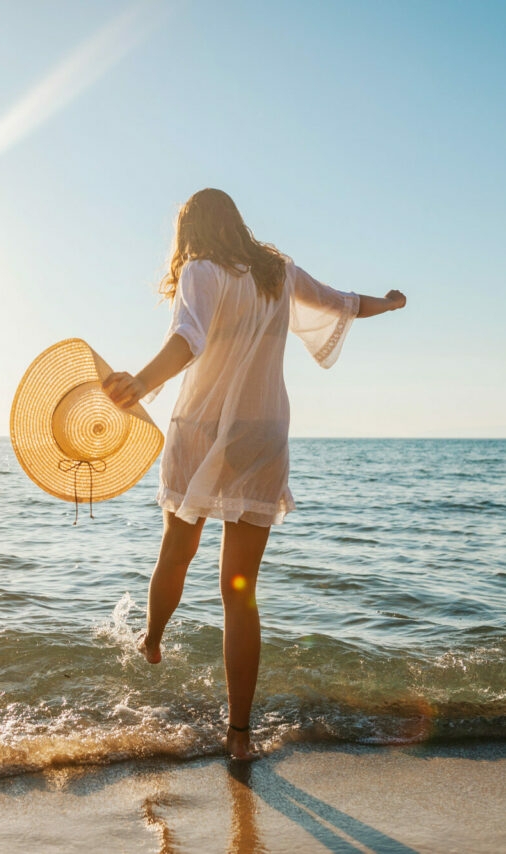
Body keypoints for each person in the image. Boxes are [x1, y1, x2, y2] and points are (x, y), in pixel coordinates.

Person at [103, 188, 406, 759]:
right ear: (237, 225)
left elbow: (187, 338)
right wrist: (387, 305)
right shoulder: (279, 273)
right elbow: (343, 302)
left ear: (190, 231)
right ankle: (239, 736)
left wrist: (141, 383)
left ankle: (151, 640)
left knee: (177, 550)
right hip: (263, 436)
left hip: (202, 429)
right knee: (240, 593)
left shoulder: (199, 269)